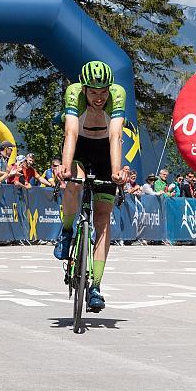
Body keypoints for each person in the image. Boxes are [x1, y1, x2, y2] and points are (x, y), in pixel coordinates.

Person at [53, 60, 129, 312]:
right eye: (94, 92)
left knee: (103, 219)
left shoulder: (117, 94)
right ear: (84, 88)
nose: (99, 98)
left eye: (103, 91)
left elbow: (116, 136)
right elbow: (71, 133)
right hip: (81, 146)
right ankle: (66, 231)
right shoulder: (73, 93)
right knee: (74, 182)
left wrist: (117, 171)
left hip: (106, 149)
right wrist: (65, 166)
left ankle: (95, 286)